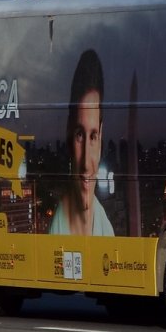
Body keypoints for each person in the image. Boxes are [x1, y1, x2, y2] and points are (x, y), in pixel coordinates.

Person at [49, 50, 114, 236]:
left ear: (101, 137)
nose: (86, 163)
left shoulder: (105, 228)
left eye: (93, 136)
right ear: (69, 133)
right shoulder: (56, 232)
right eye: (79, 135)